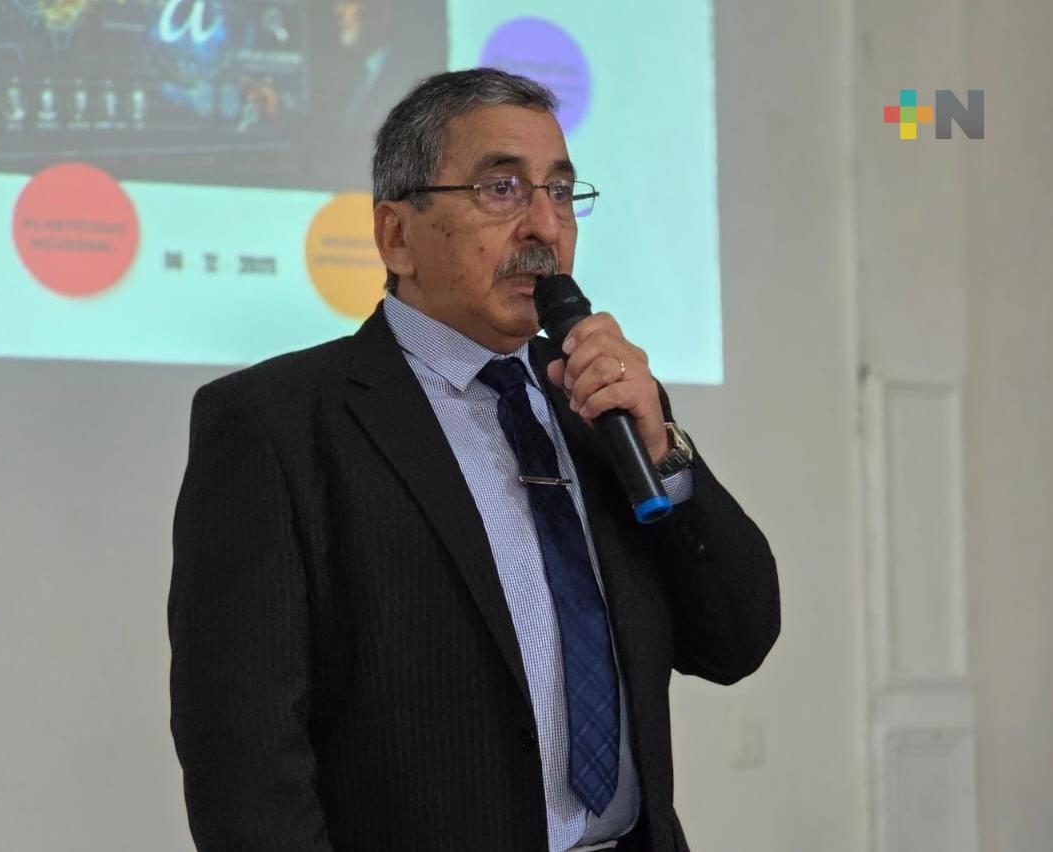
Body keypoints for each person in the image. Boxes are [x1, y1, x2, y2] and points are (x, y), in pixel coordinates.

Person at [168, 68, 780, 852]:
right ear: (397, 236)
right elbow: (245, 761)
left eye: (560, 192)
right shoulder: (276, 424)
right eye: (501, 189)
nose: (544, 225)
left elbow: (735, 642)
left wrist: (663, 451)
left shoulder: (602, 407)